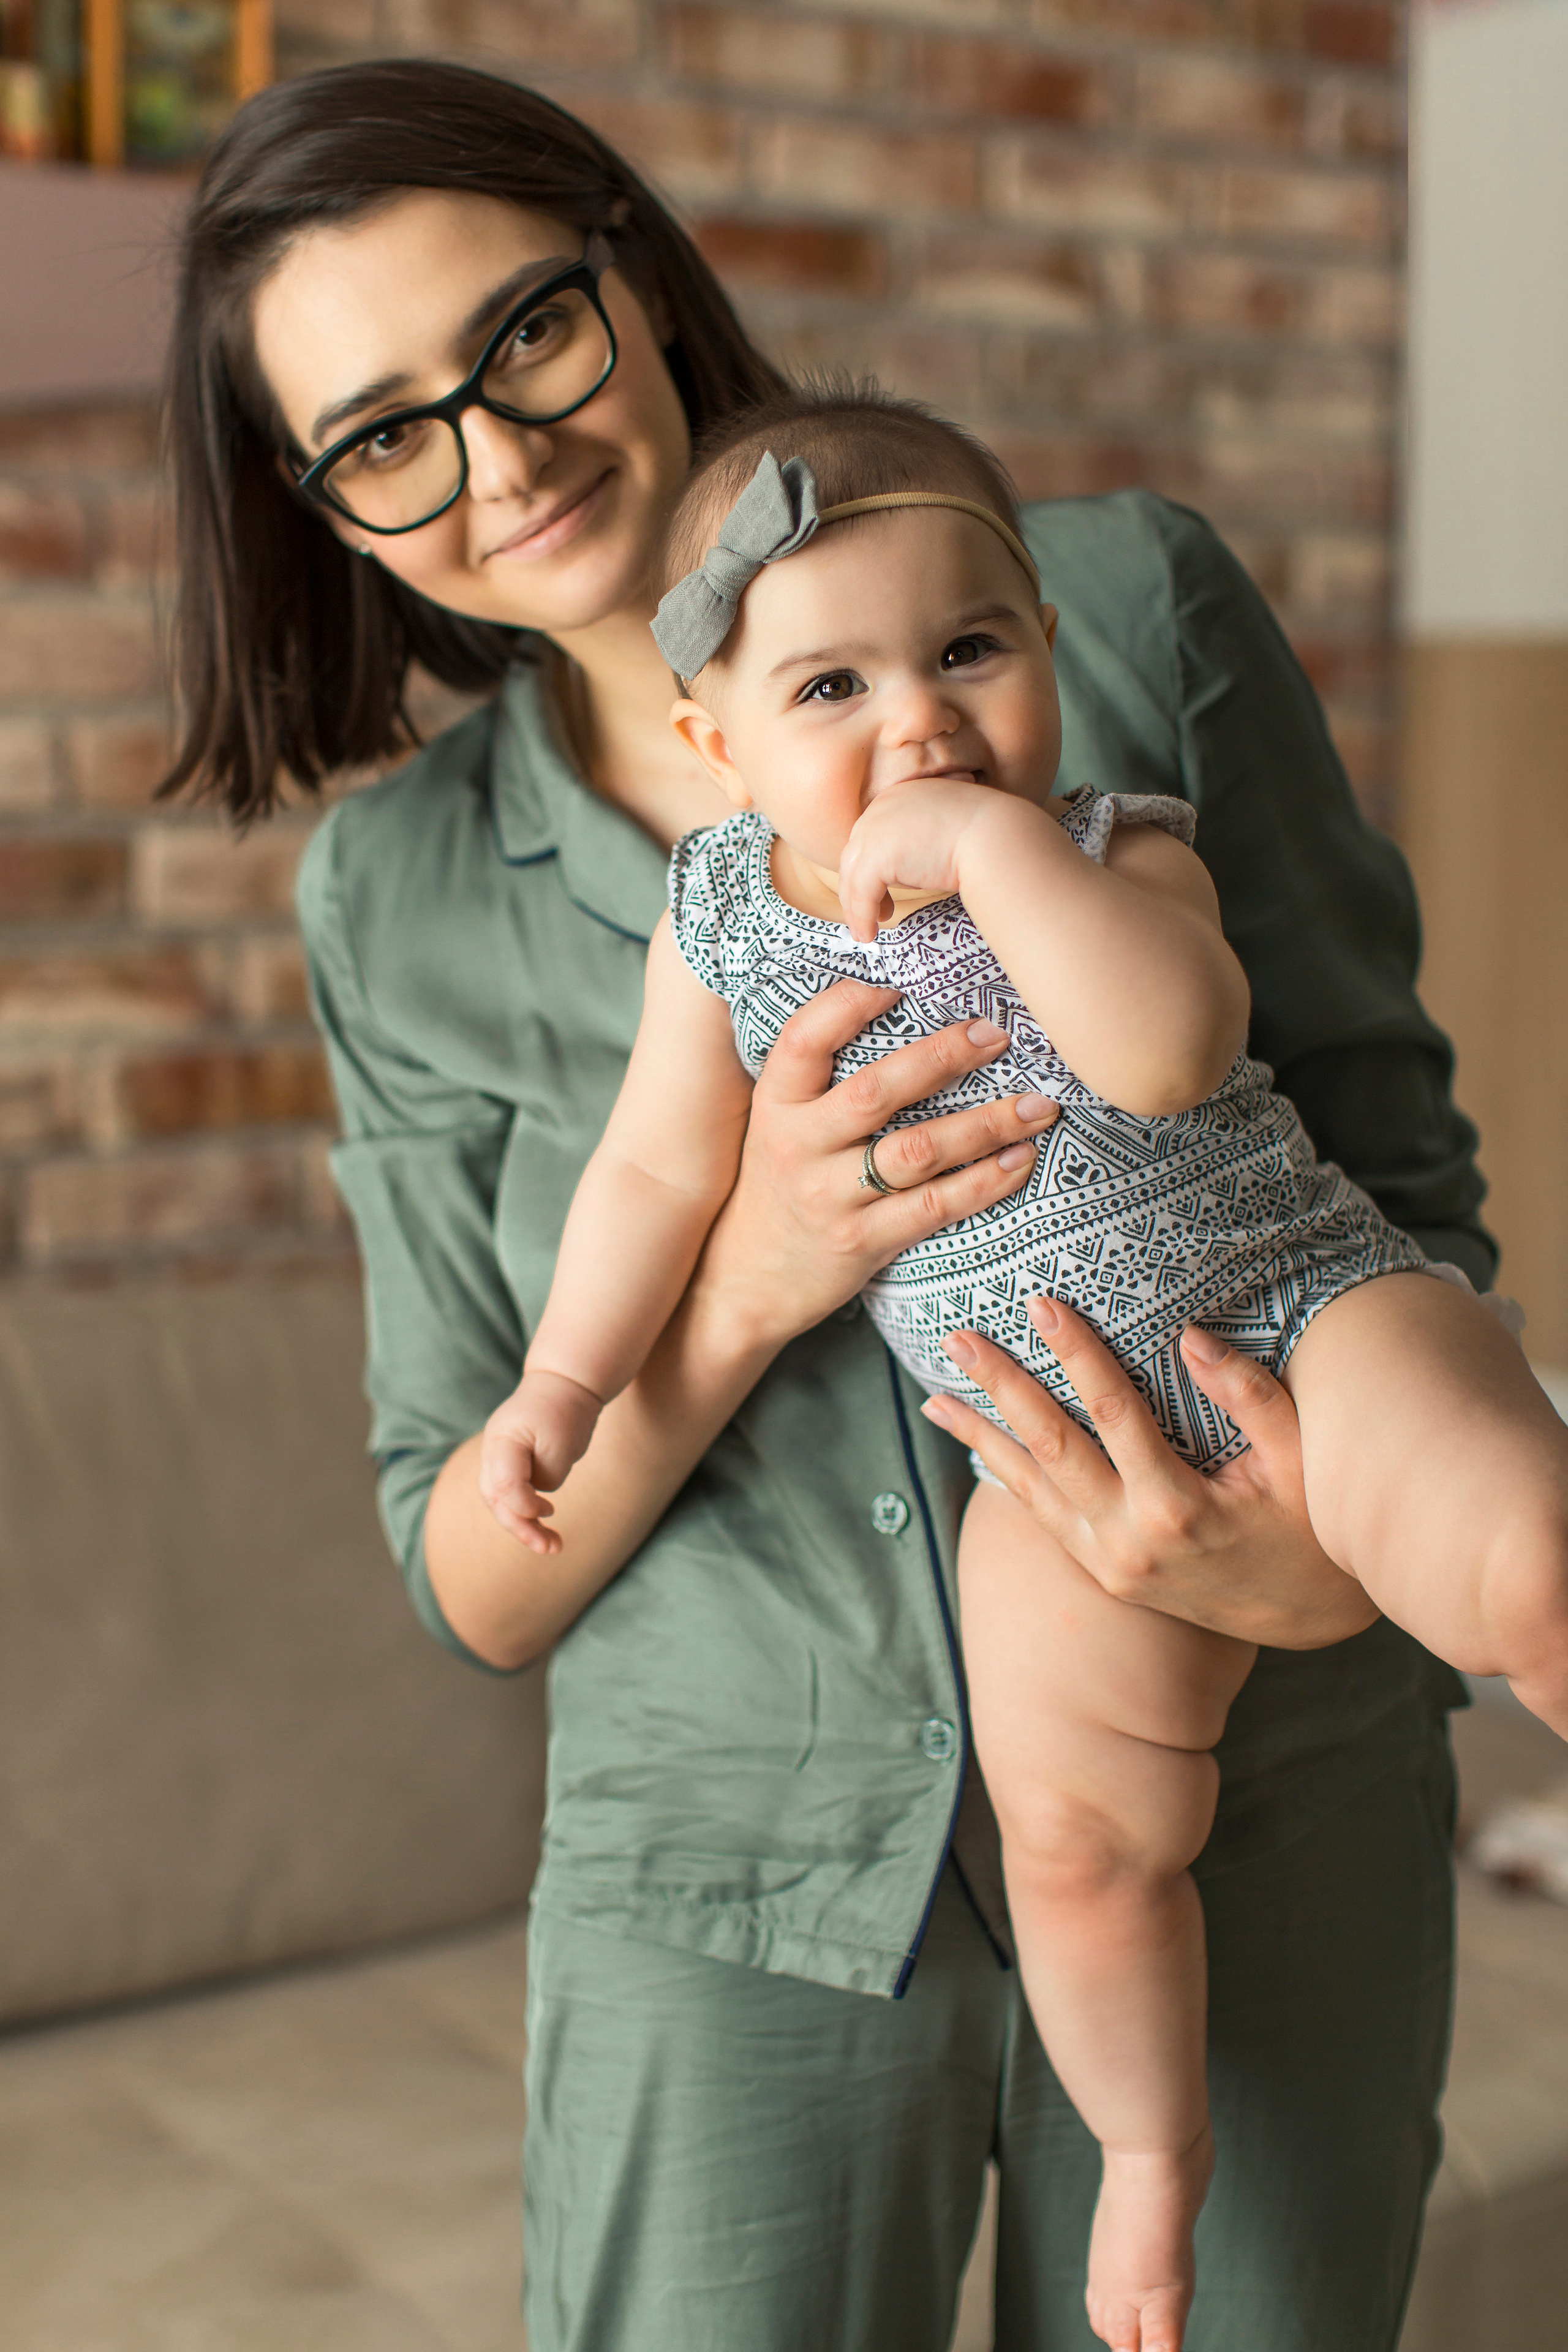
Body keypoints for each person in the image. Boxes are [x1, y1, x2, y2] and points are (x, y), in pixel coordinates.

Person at [165, 58, 1500, 2352]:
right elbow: (478, 1576)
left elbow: (1401, 1190)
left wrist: (1316, 1564)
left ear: (630, 272)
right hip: (731, 1898)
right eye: (385, 436)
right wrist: (755, 1268)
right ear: (329, 514)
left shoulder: (1105, 599)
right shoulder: (398, 898)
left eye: (526, 335)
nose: (500, 456)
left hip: (1256, 1802)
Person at [480, 388, 1568, 2352]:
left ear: (1053, 656)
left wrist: (997, 851)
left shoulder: (1107, 843)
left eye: (970, 651)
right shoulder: (721, 924)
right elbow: (653, 1168)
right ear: (718, 745)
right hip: (1043, 1458)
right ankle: (1151, 2164)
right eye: (834, 687)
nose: (921, 721)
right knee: (1074, 1836)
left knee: (1524, 1546)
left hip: (1297, 1306)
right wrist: (565, 1386)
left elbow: (1161, 1051)